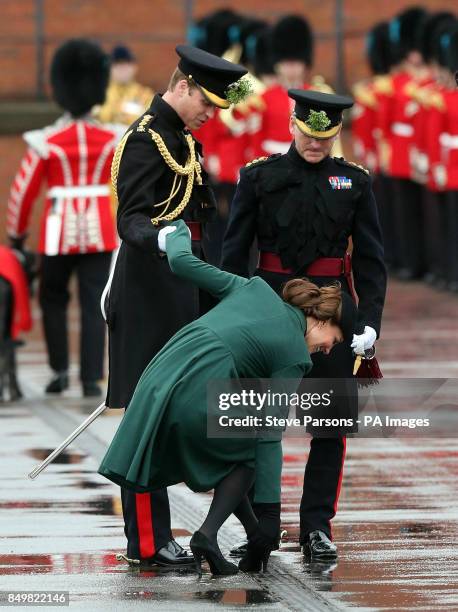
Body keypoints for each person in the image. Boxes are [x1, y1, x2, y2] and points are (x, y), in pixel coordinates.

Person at [99, 220, 356, 575]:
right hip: (200, 388)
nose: (329, 349)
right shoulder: (294, 355)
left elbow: (184, 265)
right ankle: (207, 533)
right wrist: (270, 512)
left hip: (162, 372)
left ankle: (242, 534)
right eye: (335, 338)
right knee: (248, 447)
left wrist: (176, 236)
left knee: (235, 440)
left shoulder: (254, 289)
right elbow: (269, 434)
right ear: (320, 320)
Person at [222, 89, 387, 560]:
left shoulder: (354, 182)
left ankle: (316, 527)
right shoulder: (258, 177)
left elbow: (373, 259)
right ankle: (257, 525)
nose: (315, 143)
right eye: (309, 133)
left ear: (335, 133)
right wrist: (229, 315)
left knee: (330, 426)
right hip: (268, 306)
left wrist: (370, 321)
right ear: (293, 125)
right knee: (253, 422)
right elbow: (234, 254)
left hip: (334, 312)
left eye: (325, 136)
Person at [104, 44, 248, 568]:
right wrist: (162, 239)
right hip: (149, 291)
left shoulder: (182, 138)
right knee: (148, 414)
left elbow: (203, 217)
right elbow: (132, 219)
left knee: (180, 411)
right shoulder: (145, 140)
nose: (212, 113)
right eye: (206, 101)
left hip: (184, 289)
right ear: (182, 86)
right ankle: (147, 540)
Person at [6, 39, 120, 397]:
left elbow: (23, 192)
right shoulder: (113, 137)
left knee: (53, 301)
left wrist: (16, 235)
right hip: (100, 230)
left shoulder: (47, 140)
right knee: (93, 304)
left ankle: (59, 372)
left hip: (56, 232)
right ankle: (89, 377)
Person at [94, 45, 154, 126]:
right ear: (109, 68)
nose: (122, 68)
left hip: (133, 137)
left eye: (126, 63)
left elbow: (150, 120)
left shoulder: (144, 94)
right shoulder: (98, 93)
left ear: (134, 67)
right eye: (117, 64)